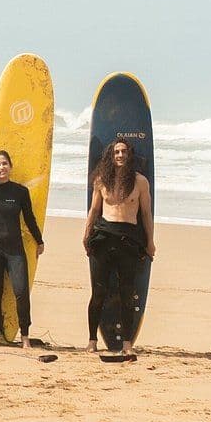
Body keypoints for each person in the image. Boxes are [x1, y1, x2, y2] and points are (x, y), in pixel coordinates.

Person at [83, 138, 156, 358]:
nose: (120, 155)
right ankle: (92, 340)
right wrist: (86, 235)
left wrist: (150, 242)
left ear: (129, 155)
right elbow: (94, 211)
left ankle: (126, 343)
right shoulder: (101, 181)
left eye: (124, 151)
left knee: (127, 293)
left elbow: (146, 215)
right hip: (103, 238)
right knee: (98, 292)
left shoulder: (140, 182)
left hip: (128, 240)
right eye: (116, 152)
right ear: (111, 156)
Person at [0, 150, 44, 349]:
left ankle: (25, 335)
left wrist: (39, 240)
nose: (2, 168)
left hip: (14, 249)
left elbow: (29, 218)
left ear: (10, 166)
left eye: (5, 164)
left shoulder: (20, 192)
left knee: (21, 291)